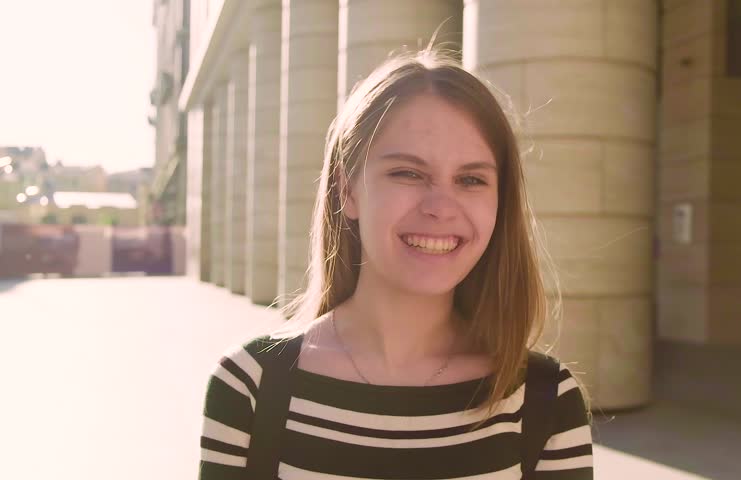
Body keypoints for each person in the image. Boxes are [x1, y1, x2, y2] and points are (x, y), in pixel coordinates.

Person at [198, 48, 594, 479]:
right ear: (346, 192)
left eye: (471, 180)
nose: (441, 208)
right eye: (408, 173)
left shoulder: (547, 400)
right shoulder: (249, 386)